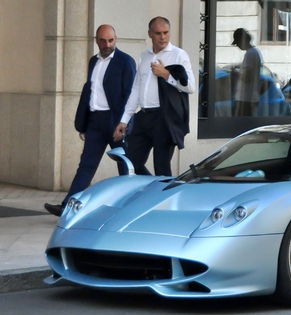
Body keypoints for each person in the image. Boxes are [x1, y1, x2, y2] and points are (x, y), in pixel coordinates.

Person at [44, 25, 136, 217]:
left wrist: (124, 123)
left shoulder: (125, 62)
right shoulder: (93, 61)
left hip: (116, 122)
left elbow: (131, 96)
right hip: (95, 121)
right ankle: (68, 207)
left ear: (116, 38)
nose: (107, 44)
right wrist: (84, 123)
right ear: (96, 40)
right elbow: (90, 92)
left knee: (125, 164)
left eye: (110, 40)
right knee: (86, 165)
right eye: (103, 40)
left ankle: (132, 206)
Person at [113, 16, 195, 176]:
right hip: (143, 117)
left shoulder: (178, 55)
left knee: (162, 166)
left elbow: (190, 87)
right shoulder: (144, 56)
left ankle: (163, 198)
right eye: (158, 33)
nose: (162, 37)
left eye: (166, 32)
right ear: (150, 34)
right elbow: (136, 88)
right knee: (131, 163)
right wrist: (124, 119)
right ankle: (151, 190)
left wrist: (166, 75)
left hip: (164, 118)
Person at [232, 28, 263, 117]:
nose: (237, 46)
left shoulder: (250, 54)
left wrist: (235, 73)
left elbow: (247, 77)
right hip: (251, 98)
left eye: (237, 43)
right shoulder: (255, 52)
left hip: (245, 99)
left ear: (242, 40)